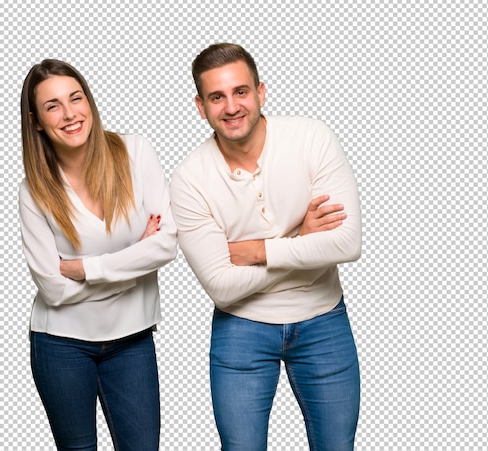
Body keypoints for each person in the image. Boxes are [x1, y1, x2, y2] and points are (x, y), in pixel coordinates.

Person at [170, 43, 362, 451]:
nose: (232, 106)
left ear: (261, 92)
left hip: (323, 320)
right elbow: (222, 286)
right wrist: (302, 240)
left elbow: (346, 242)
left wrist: (257, 250)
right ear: (200, 107)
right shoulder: (189, 179)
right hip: (241, 327)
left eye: (241, 91)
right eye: (216, 97)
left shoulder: (312, 138)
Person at [19, 59, 177, 451]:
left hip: (132, 338)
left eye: (76, 98)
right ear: (36, 120)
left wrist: (84, 269)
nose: (70, 113)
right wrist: (134, 263)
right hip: (61, 343)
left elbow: (166, 243)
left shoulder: (135, 153)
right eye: (53, 105)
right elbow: (54, 292)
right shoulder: (33, 190)